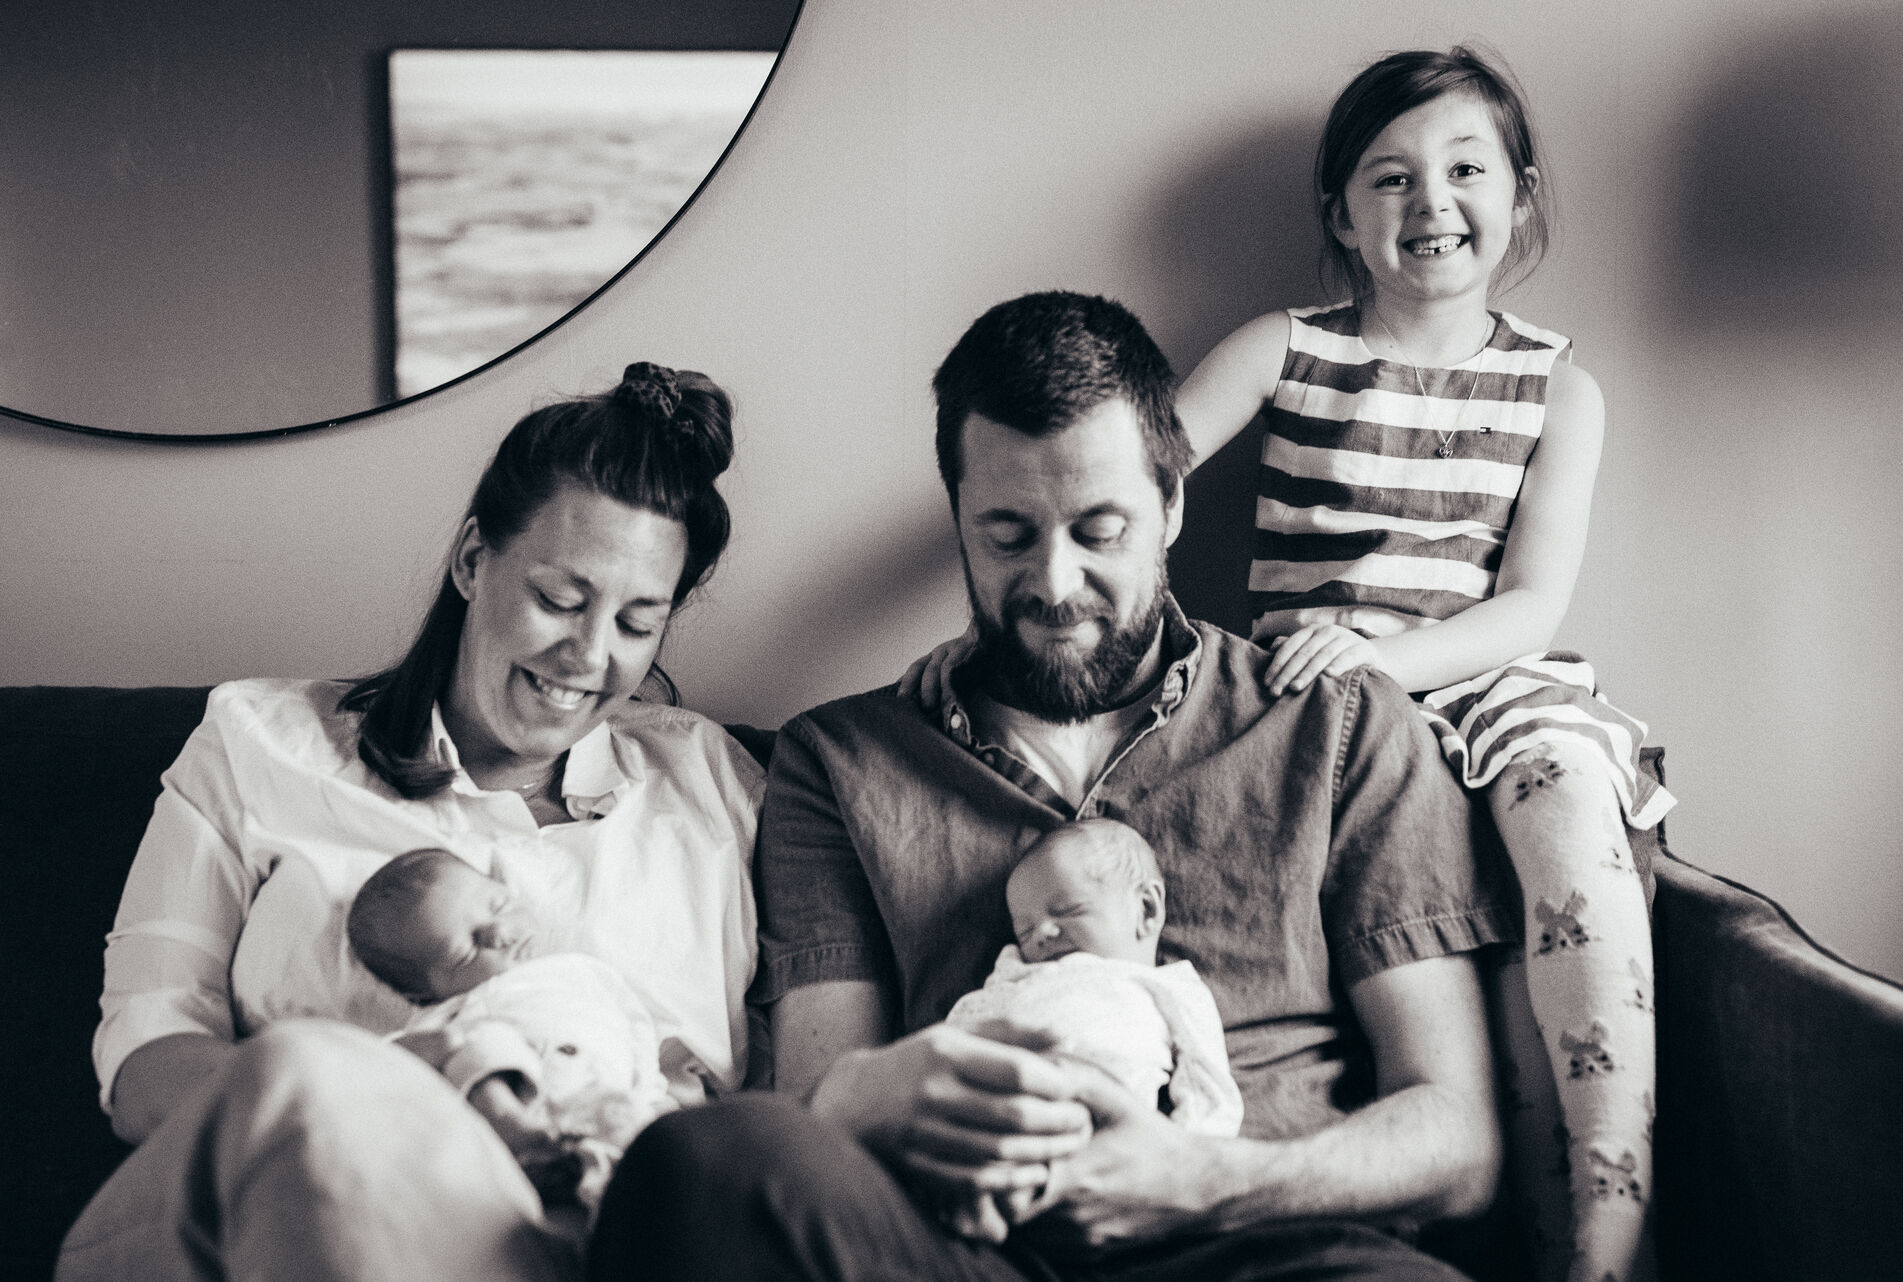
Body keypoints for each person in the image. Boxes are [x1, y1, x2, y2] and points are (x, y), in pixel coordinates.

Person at [906, 50, 1670, 1282]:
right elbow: (1128, 486)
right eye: (1391, 177)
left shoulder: (1558, 389)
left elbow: (1531, 605)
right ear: (1342, 216)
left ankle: (1609, 1229)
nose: (1431, 201)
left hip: (1479, 679)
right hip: (1311, 705)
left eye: (1466, 170)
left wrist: (1387, 658)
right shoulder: (1287, 348)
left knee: (1571, 823)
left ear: (1522, 196)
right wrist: (1020, 617)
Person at [590, 291, 1517, 1282]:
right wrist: (872, 1094)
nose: (1056, 583)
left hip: (1273, 1248)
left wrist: (1208, 1179)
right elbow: (817, 1106)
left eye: (1099, 530)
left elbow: (1457, 1140)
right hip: (971, 1255)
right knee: (704, 1162)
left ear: (1172, 505)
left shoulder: (1333, 725)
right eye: (1007, 535)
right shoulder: (844, 761)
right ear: (958, 521)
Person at [59, 362, 762, 1282]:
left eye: (637, 623)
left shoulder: (711, 786)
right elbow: (145, 1056)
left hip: (610, 1236)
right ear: (472, 560)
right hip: (288, 1205)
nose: (588, 656)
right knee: (310, 1073)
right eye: (559, 600)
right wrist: (394, 1099)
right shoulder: (257, 745)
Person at [943, 818, 1242, 1244]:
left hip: (1098, 1123)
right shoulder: (1015, 973)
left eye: (1068, 911)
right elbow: (965, 1025)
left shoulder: (1170, 987)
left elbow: (1208, 1082)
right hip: (992, 1102)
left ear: (1146, 909)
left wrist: (1187, 1159)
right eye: (1024, 930)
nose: (1042, 934)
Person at [347, 848, 682, 1228]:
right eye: (465, 951)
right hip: (534, 1119)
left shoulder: (583, 973)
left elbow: (633, 1035)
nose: (499, 934)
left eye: (499, 905)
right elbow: (389, 1063)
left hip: (616, 1113)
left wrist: (653, 1096)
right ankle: (511, 1124)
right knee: (476, 1044)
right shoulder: (454, 1011)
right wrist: (445, 1045)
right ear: (423, 995)